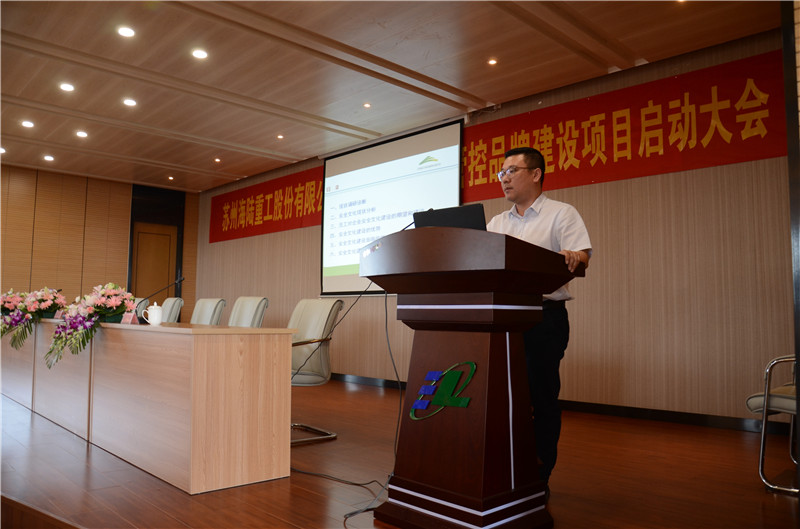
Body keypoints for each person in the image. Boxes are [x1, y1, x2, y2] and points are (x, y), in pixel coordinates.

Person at [486, 147, 592, 497]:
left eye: (511, 171)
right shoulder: (496, 224)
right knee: (500, 400)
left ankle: (537, 477)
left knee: (539, 399)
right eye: (501, 172)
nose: (504, 178)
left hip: (543, 318)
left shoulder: (561, 213)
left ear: (535, 174)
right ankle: (502, 471)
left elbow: (581, 257)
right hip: (500, 320)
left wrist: (575, 256)